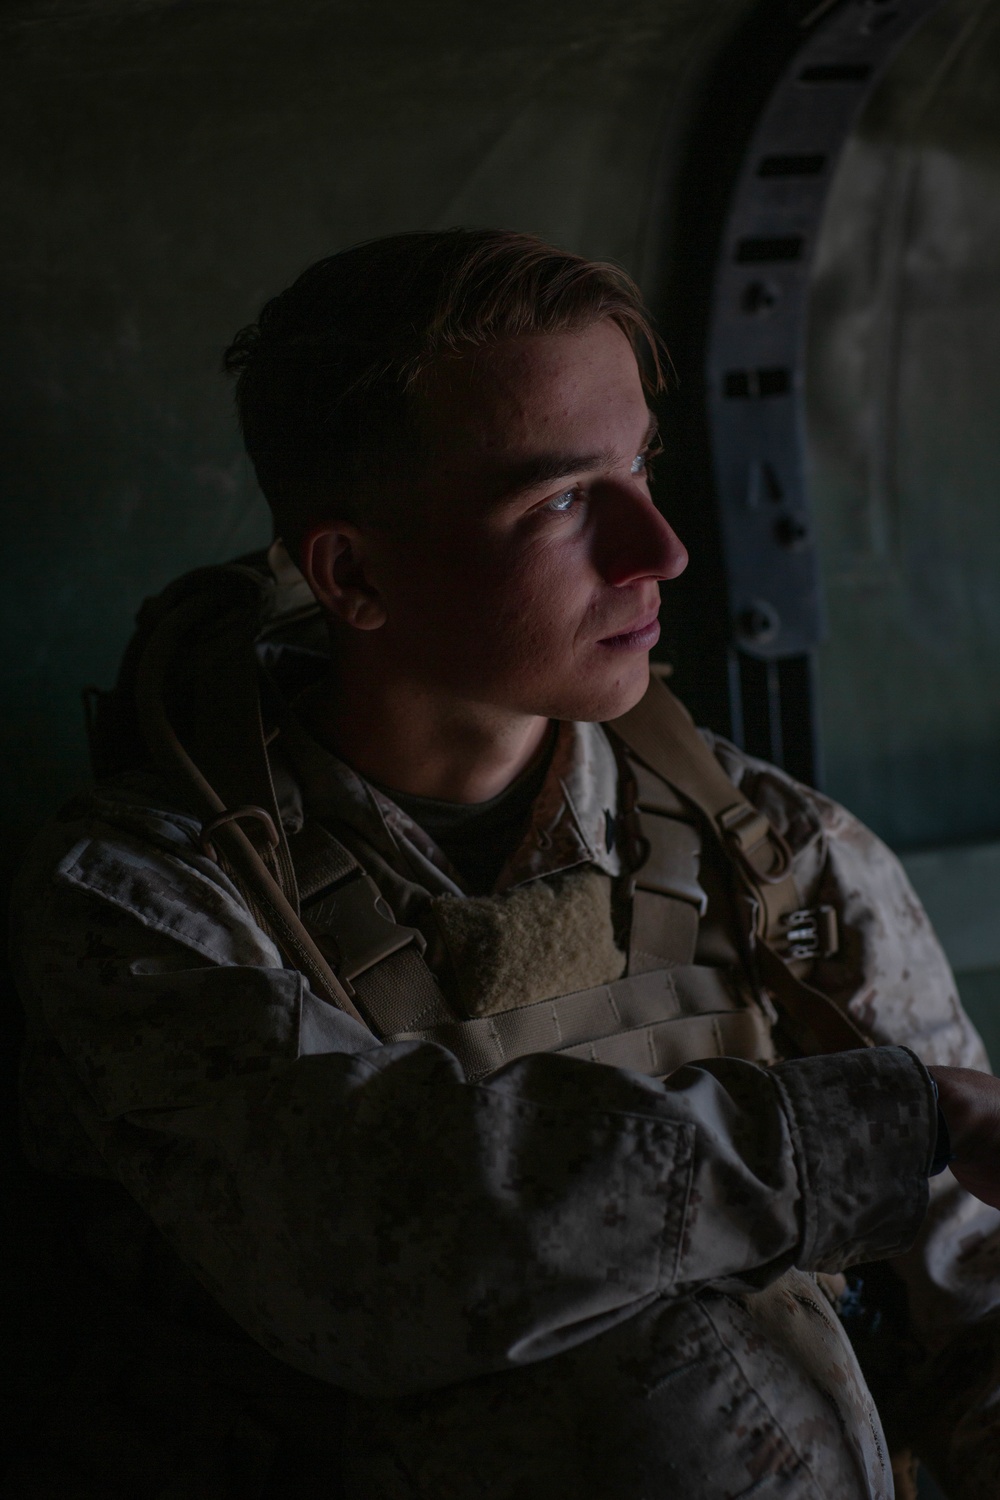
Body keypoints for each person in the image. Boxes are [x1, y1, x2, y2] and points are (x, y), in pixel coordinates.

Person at [11, 228, 1000, 1500]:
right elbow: (379, 1248)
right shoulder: (149, 902)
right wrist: (871, 1131)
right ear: (352, 574)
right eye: (562, 501)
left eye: (641, 466)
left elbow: (975, 1298)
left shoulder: (773, 853)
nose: (660, 548)